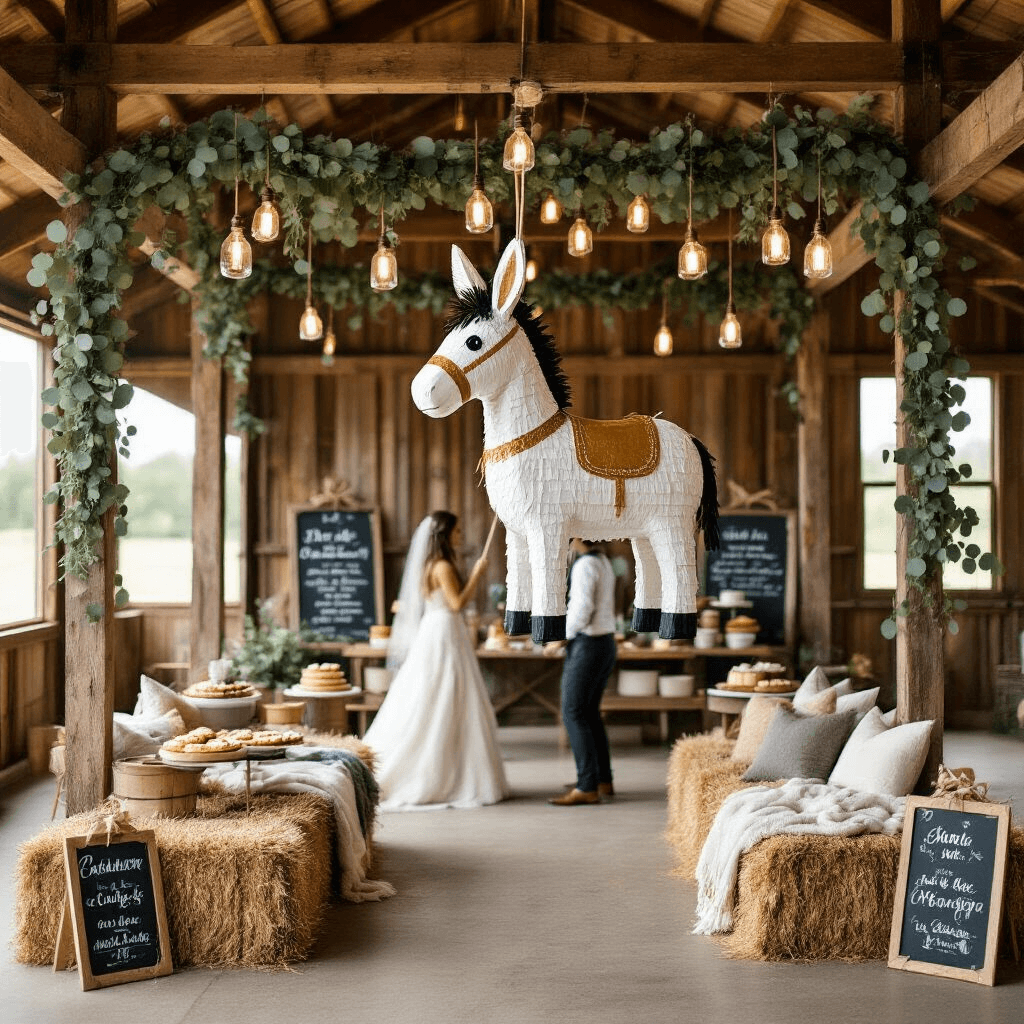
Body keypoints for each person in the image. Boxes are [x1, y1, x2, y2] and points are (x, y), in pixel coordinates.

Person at [363, 511, 509, 810]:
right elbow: (456, 604)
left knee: (439, 694)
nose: (460, 536)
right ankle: (442, 775)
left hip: (437, 629)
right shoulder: (442, 565)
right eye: (457, 531)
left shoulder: (430, 564)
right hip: (444, 630)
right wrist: (478, 574)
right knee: (445, 694)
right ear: (444, 535)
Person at [547, 538, 617, 806]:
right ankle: (601, 780)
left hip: (588, 644)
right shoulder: (602, 561)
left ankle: (587, 786)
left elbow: (582, 608)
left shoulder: (585, 564)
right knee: (589, 714)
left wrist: (559, 638)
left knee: (573, 712)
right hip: (604, 643)